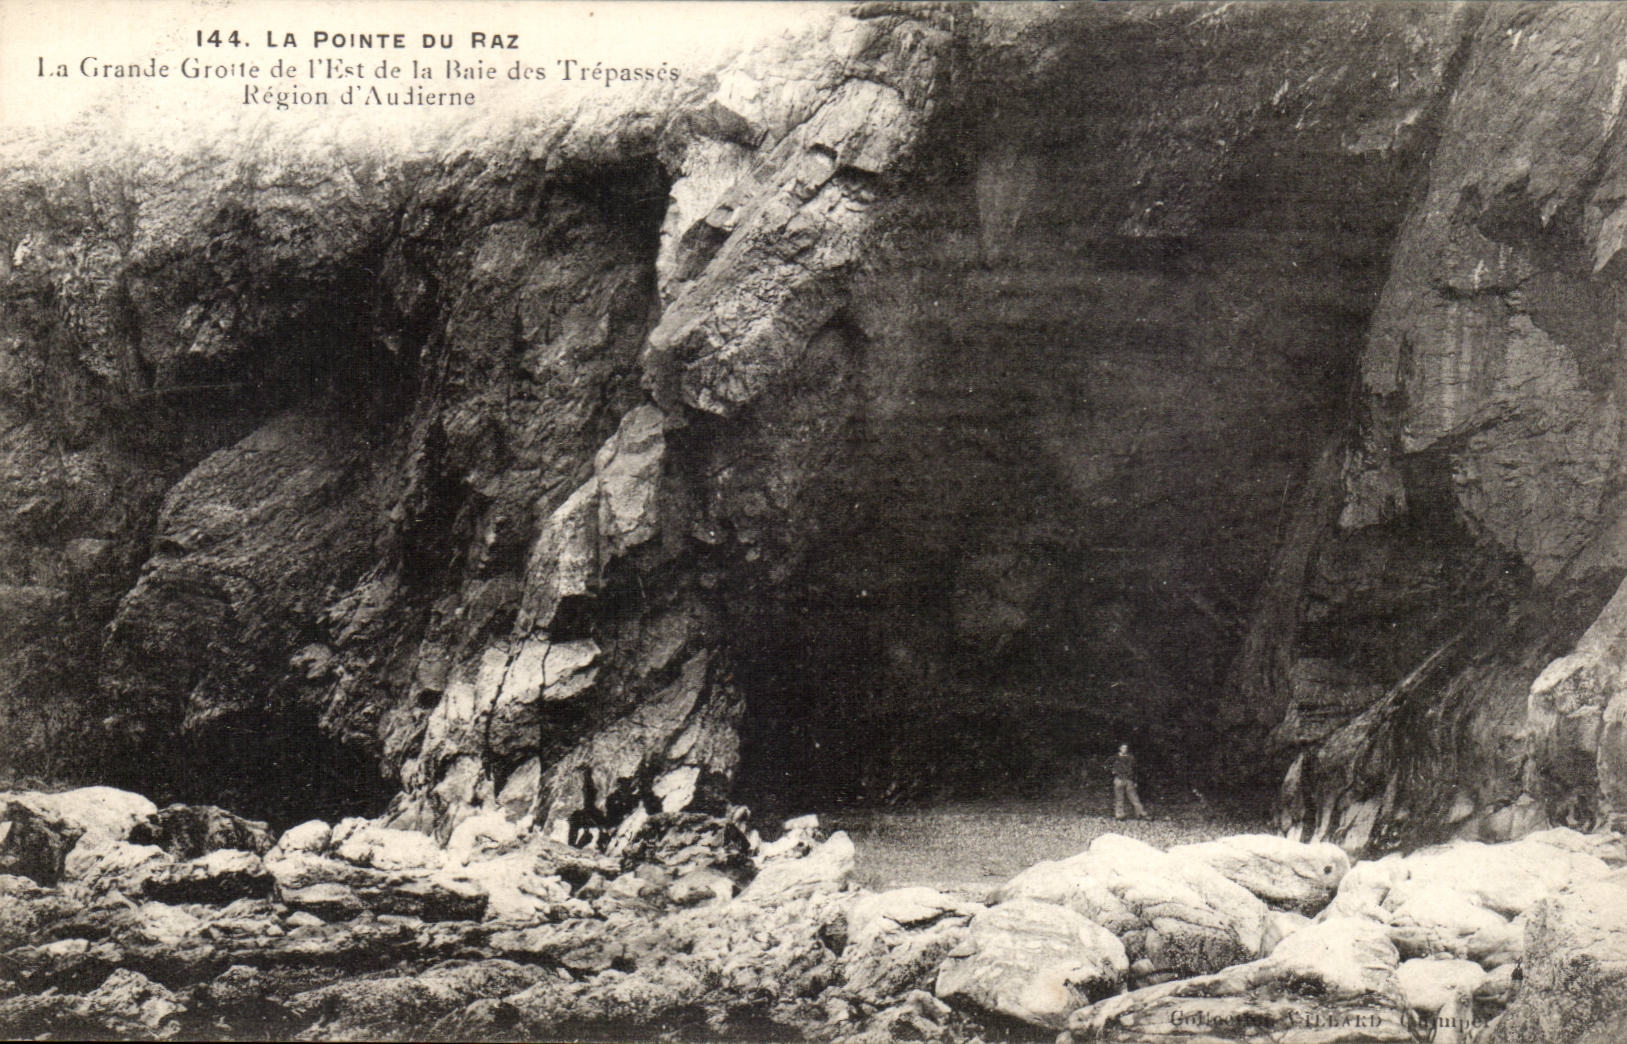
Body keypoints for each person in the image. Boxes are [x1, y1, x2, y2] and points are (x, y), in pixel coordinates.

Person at [1112, 743, 1147, 820]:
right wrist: (1113, 772)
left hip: (1129, 780)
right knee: (1119, 798)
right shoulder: (1115, 757)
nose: (1124, 749)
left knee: (1134, 797)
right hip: (1119, 779)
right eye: (1123, 748)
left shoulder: (1131, 758)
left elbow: (1135, 769)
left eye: (1126, 748)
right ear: (1119, 748)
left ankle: (1140, 813)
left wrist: (1135, 780)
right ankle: (1119, 814)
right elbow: (1108, 765)